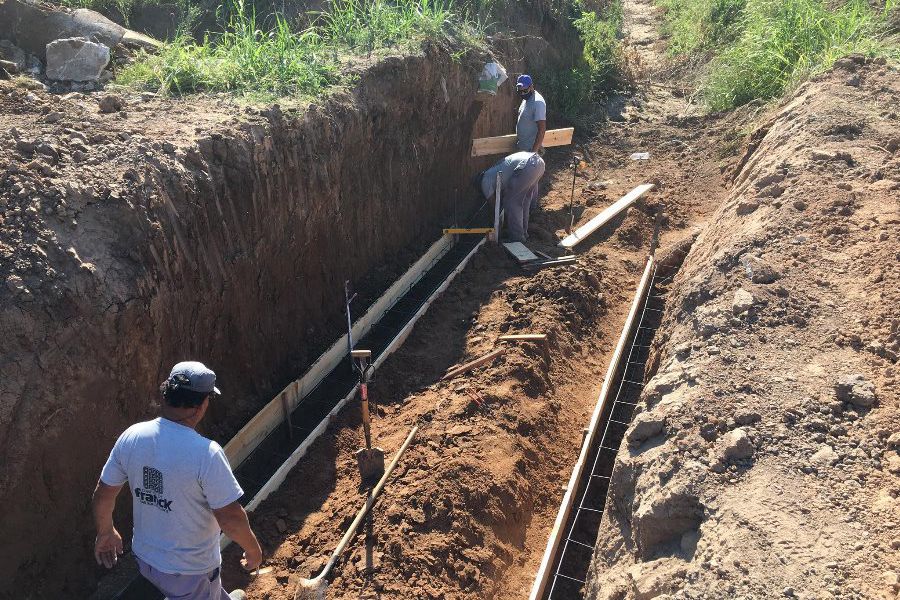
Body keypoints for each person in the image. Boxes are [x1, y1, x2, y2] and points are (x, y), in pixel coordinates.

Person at [92, 361, 262, 600]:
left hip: (146, 560)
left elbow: (103, 493)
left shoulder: (132, 436)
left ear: (166, 395)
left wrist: (105, 532)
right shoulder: (206, 453)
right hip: (189, 571)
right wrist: (253, 550)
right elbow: (230, 517)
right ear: (201, 406)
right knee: (196, 592)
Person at [476, 151, 546, 243]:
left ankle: (517, 237)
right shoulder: (494, 170)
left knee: (511, 202)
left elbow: (494, 206)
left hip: (527, 166)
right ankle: (523, 233)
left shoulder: (484, 181)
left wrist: (496, 223)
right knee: (524, 200)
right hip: (538, 163)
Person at [515, 74, 547, 154]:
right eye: (520, 91)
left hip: (530, 150)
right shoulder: (526, 99)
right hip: (522, 146)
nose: (522, 94)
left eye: (525, 91)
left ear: (531, 87)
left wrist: (533, 153)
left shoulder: (538, 102)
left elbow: (542, 130)